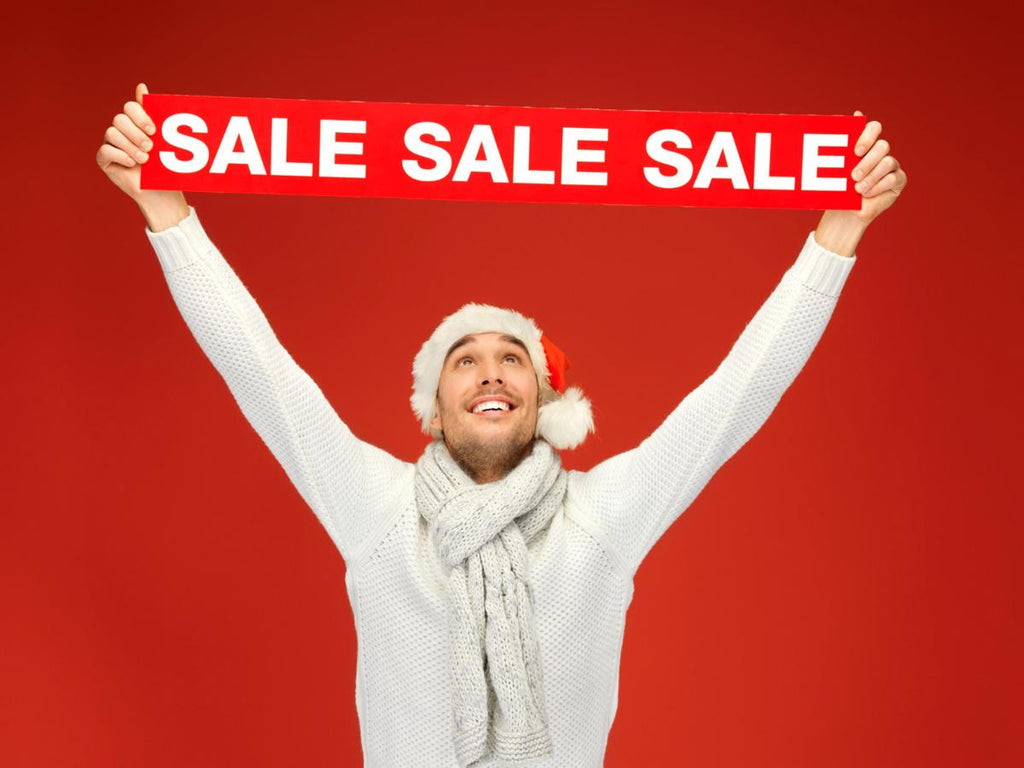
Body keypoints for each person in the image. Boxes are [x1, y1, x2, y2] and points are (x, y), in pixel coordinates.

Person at [97, 83, 907, 768]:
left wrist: (837, 236)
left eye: (511, 357)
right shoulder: (378, 509)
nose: (488, 370)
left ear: (542, 397)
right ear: (435, 407)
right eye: (464, 360)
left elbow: (736, 395)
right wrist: (165, 209)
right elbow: (261, 371)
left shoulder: (602, 517)